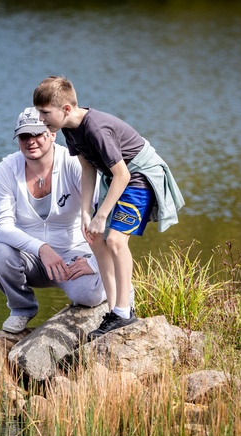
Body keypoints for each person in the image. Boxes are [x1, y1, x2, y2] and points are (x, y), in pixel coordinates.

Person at [33, 75, 185, 341]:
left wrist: (101, 215)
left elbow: (123, 174)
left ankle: (125, 312)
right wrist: (85, 213)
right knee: (96, 239)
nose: (41, 119)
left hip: (139, 178)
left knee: (115, 240)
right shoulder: (70, 129)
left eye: (45, 113)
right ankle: (115, 309)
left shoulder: (96, 129)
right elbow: (88, 168)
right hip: (116, 179)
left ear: (65, 109)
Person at [0, 107, 106, 334]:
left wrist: (94, 263)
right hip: (31, 258)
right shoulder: (6, 169)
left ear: (52, 134)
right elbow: (1, 228)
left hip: (73, 257)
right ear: (17, 139)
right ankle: (22, 308)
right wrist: (41, 248)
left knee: (89, 296)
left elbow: (105, 212)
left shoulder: (73, 162)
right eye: (24, 136)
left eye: (38, 134)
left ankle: (121, 288)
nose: (31, 141)